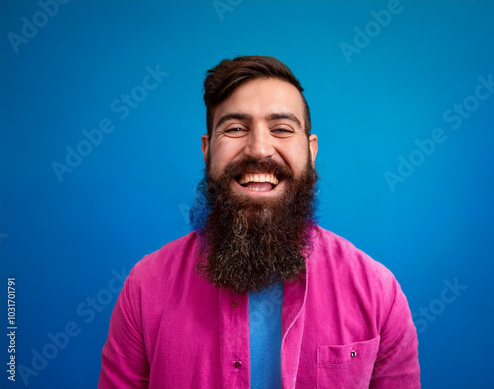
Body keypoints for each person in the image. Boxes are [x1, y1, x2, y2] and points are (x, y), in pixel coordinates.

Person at [98, 55, 420, 389]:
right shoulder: (145, 288)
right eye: (236, 128)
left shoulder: (378, 293)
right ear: (207, 150)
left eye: (281, 129)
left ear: (311, 151)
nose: (259, 149)